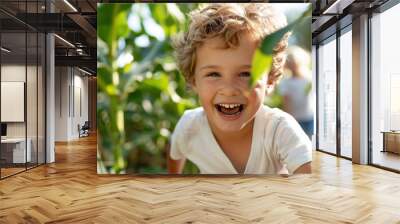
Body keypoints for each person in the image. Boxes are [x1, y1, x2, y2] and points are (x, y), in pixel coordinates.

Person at [168, 3, 311, 175]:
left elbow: (310, 184)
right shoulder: (189, 126)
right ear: (193, 80)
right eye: (213, 74)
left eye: (245, 74)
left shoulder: (279, 131)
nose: (229, 90)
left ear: (270, 80)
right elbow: (174, 153)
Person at [279, 46, 314, 140]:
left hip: (311, 117)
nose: (293, 64)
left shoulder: (310, 78)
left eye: (295, 61)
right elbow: (286, 102)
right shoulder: (286, 82)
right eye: (290, 62)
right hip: (296, 120)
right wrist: (288, 122)